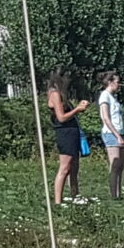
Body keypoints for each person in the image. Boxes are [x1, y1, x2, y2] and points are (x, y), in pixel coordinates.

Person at [47, 72, 84, 206]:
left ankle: (75, 195)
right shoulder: (55, 94)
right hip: (65, 133)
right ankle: (58, 201)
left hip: (72, 132)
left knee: (74, 166)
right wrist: (77, 109)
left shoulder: (63, 95)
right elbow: (61, 117)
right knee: (65, 167)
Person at [96, 69, 124, 201]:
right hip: (111, 133)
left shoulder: (114, 98)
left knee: (120, 165)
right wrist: (117, 135)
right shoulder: (105, 96)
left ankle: (119, 193)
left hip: (120, 132)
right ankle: (114, 194)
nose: (119, 85)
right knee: (114, 165)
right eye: (117, 82)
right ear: (110, 82)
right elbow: (106, 118)